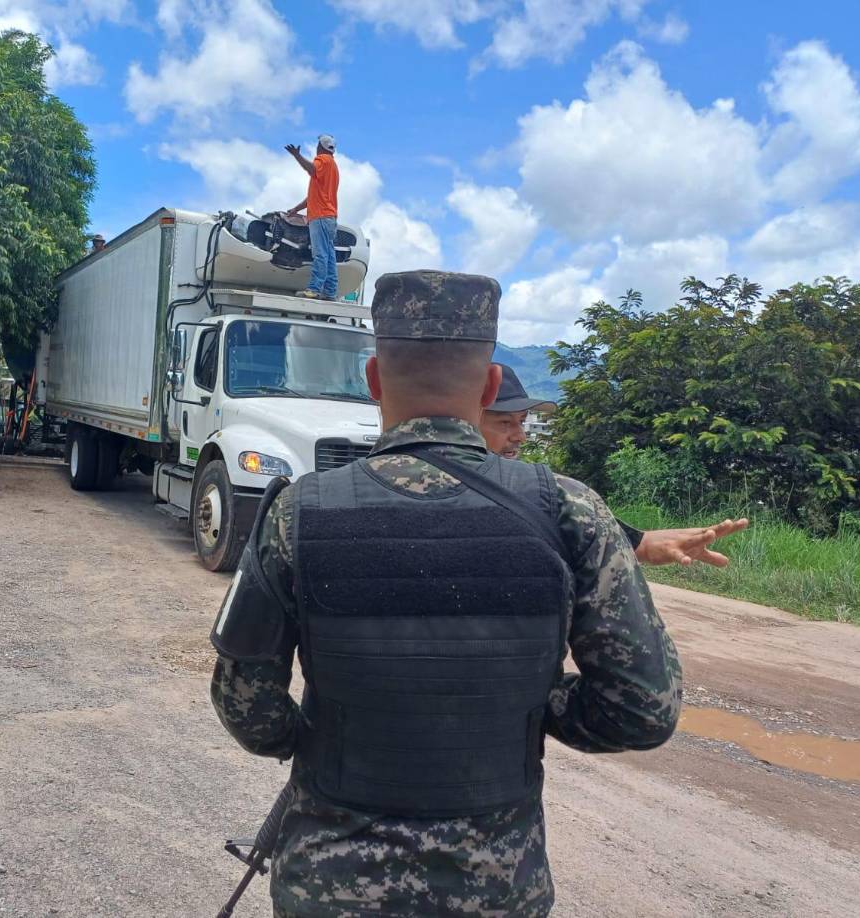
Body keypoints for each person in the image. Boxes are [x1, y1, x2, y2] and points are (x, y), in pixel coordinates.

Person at [211, 270, 682, 918]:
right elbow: (642, 711)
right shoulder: (570, 511)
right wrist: (527, 702)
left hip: (329, 885)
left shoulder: (298, 513)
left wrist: (325, 736)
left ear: (373, 380)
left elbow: (248, 707)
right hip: (498, 892)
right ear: (490, 386)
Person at [482, 364, 749, 567]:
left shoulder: (540, 492)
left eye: (521, 421)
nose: (520, 436)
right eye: (505, 422)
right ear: (468, 418)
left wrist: (649, 544)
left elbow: (608, 538)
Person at [285, 134, 339, 301]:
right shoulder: (333, 166)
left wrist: (297, 156)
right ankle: (330, 292)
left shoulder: (323, 160)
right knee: (329, 256)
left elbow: (311, 169)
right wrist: (296, 209)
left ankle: (314, 289)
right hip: (328, 217)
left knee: (320, 254)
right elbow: (313, 197)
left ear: (320, 147)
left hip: (320, 217)